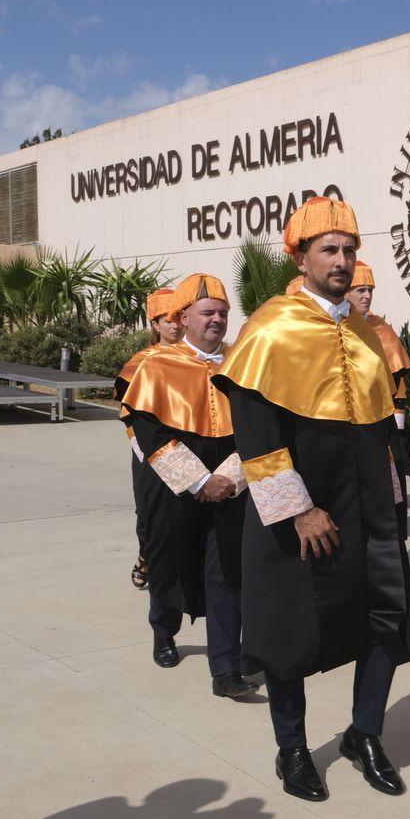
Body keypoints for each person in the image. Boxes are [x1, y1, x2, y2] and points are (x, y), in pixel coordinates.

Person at [215, 197, 410, 801]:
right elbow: (256, 439)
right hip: (298, 511)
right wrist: (299, 508)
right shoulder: (270, 328)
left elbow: (379, 427)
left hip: (369, 506)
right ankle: (293, 748)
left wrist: (390, 493)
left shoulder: (366, 334)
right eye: (329, 249)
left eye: (350, 249)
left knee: (384, 619)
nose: (343, 260)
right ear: (299, 256)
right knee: (290, 633)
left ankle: (366, 733)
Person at [119, 273, 253, 700]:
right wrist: (197, 480)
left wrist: (228, 479)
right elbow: (147, 430)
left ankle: (226, 668)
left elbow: (257, 430)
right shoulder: (157, 365)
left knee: (226, 570)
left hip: (230, 482)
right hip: (174, 482)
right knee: (169, 560)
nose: (217, 320)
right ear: (183, 317)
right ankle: (163, 631)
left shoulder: (242, 363)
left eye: (223, 313)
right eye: (208, 312)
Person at [118, 287, 182, 591]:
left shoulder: (194, 357)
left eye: (177, 317)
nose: (174, 325)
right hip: (149, 448)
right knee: (147, 511)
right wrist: (141, 446)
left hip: (188, 448)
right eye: (165, 319)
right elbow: (129, 411)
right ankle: (147, 554)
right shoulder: (141, 361)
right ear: (154, 325)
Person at [344, 261, 410, 487]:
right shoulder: (334, 326)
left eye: (370, 291)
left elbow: (395, 379)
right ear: (347, 292)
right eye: (360, 290)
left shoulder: (382, 328)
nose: (367, 296)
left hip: (381, 419)